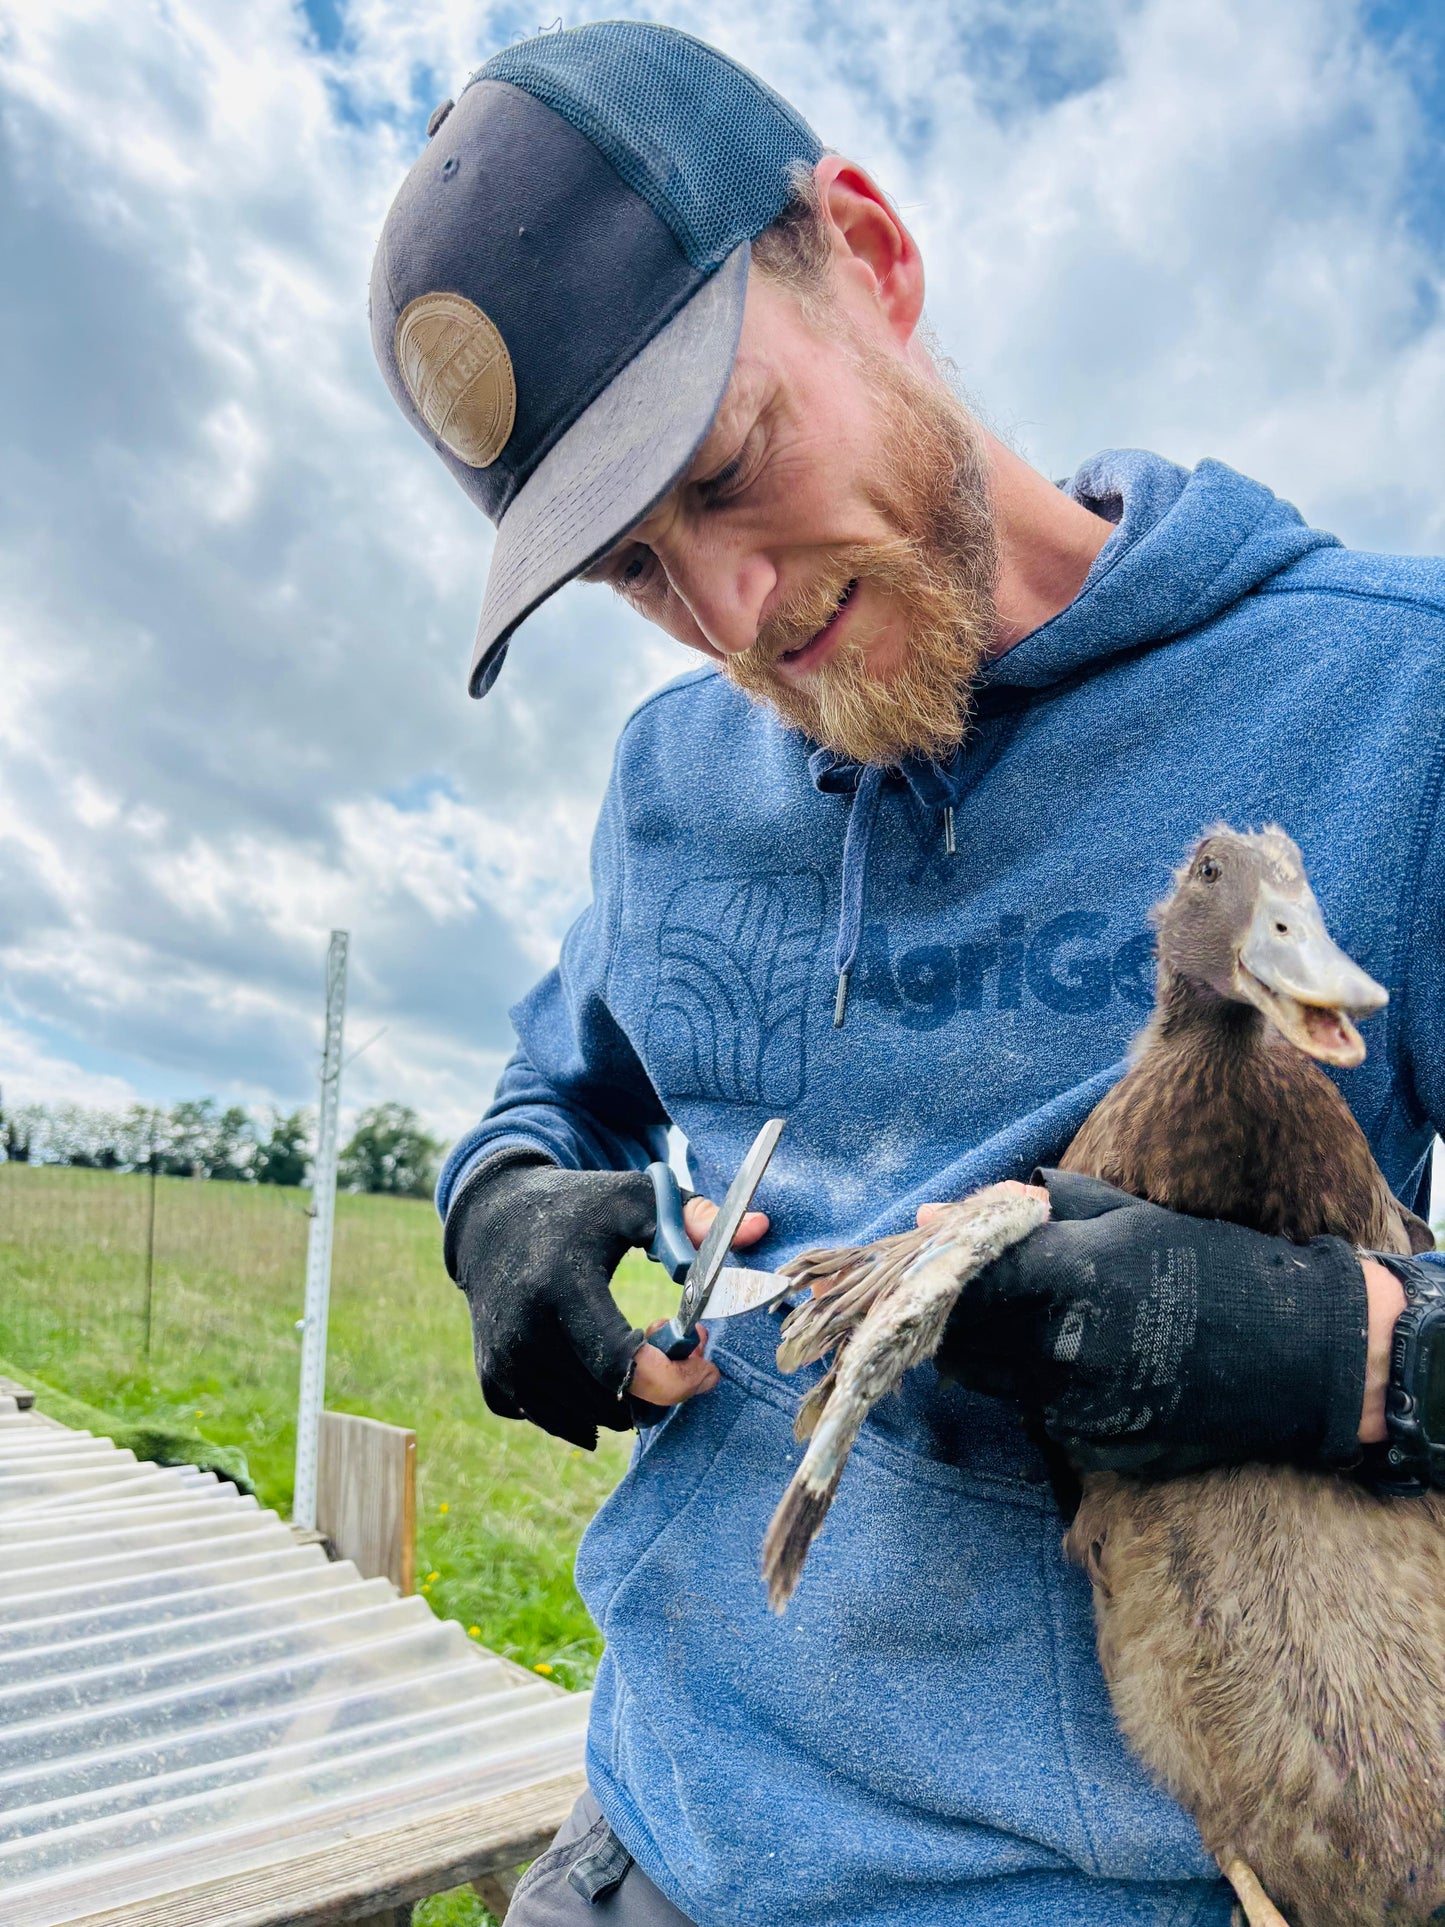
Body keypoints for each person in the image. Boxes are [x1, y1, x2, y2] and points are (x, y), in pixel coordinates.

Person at [370, 23, 1445, 1925]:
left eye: (725, 470)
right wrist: (502, 1210)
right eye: (632, 569)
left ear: (867, 253)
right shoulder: (665, 785)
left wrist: (1359, 1362)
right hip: (636, 1831)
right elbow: (554, 1094)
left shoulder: (1391, 701)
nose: (732, 617)